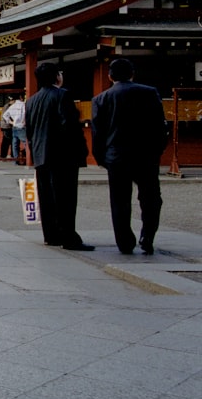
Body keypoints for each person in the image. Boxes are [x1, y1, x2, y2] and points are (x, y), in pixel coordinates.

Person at [91, 58, 168, 255]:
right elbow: (160, 126)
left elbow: (98, 133)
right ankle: (147, 236)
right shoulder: (149, 93)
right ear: (133, 73)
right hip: (146, 155)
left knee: (119, 201)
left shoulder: (101, 99)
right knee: (151, 198)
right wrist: (158, 150)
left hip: (116, 157)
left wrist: (101, 157)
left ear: (109, 76)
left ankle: (125, 242)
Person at [25, 62, 94, 251]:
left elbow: (29, 130)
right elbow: (70, 126)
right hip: (62, 155)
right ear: (57, 77)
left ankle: (51, 234)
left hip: (41, 154)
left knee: (46, 197)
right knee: (65, 197)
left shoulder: (31, 100)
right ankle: (68, 237)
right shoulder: (62, 95)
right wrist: (81, 150)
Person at [3, 96, 26, 164]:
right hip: (21, 126)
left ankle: (16, 160)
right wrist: (23, 122)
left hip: (14, 126)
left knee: (15, 144)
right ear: (21, 98)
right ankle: (29, 159)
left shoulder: (12, 106)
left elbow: (5, 115)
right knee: (26, 143)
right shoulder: (22, 104)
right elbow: (25, 113)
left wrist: (11, 122)